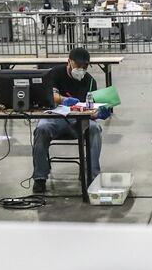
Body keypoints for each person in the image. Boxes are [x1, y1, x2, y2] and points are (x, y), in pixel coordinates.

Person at [32, 47, 110, 193]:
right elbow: (50, 95)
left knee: (94, 129)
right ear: (69, 62)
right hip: (56, 118)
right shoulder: (55, 73)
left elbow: (92, 107)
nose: (81, 69)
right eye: (77, 65)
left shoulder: (89, 81)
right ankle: (39, 177)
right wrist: (64, 100)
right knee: (41, 129)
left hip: (79, 122)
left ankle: (92, 176)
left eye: (84, 66)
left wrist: (99, 113)